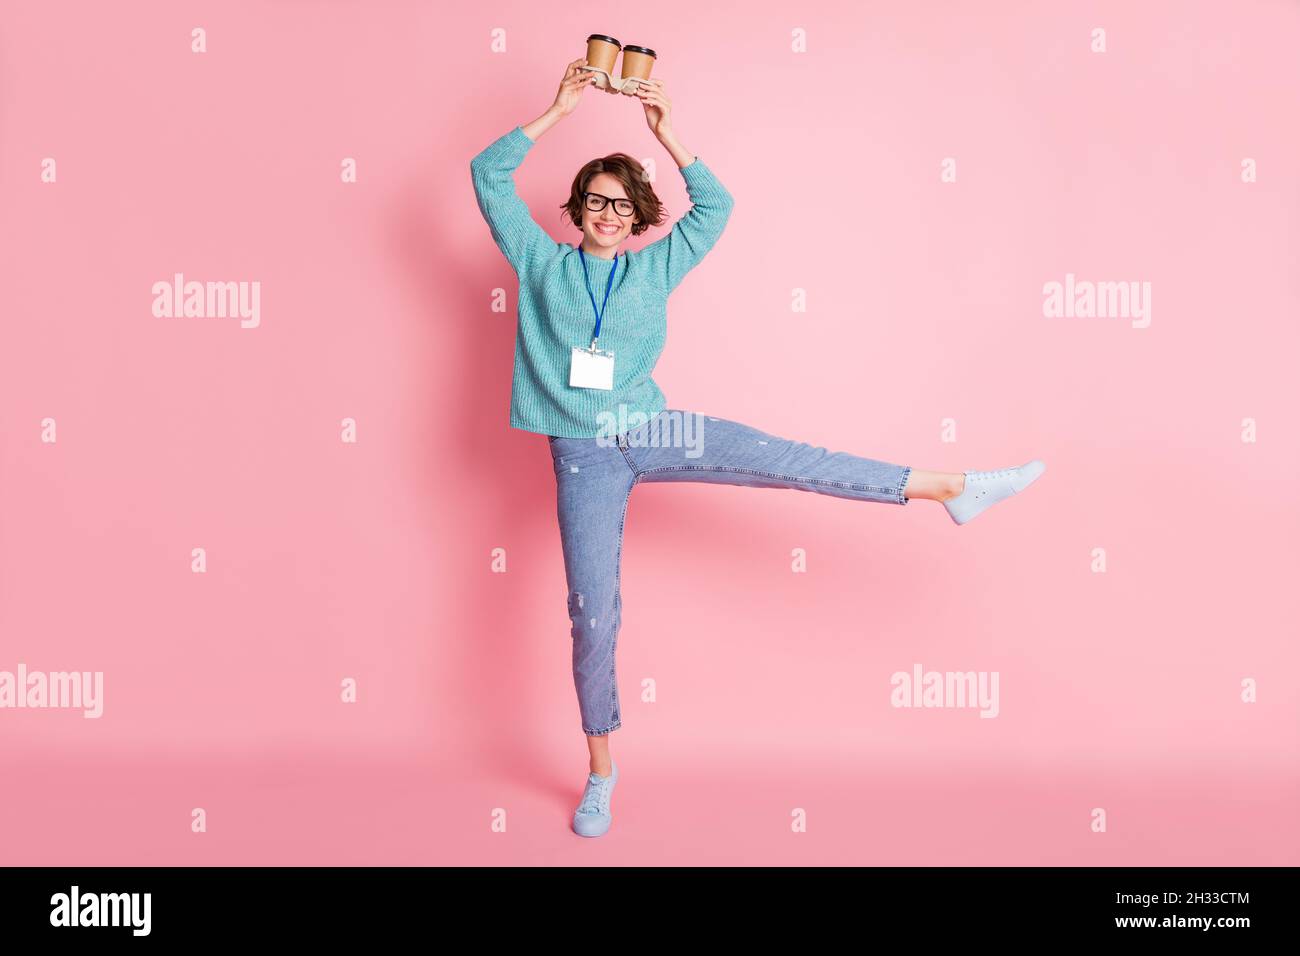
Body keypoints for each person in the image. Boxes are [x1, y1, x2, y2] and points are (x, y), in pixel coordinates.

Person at [469, 59, 1046, 838]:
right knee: (593, 615)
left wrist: (664, 131)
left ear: (638, 214)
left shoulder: (654, 266)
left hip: (651, 429)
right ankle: (601, 774)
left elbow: (715, 205)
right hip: (583, 453)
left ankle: (949, 487)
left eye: (621, 203)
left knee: (789, 459)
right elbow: (488, 173)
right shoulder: (540, 262)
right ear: (576, 208)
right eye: (596, 200)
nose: (608, 212)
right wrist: (558, 110)